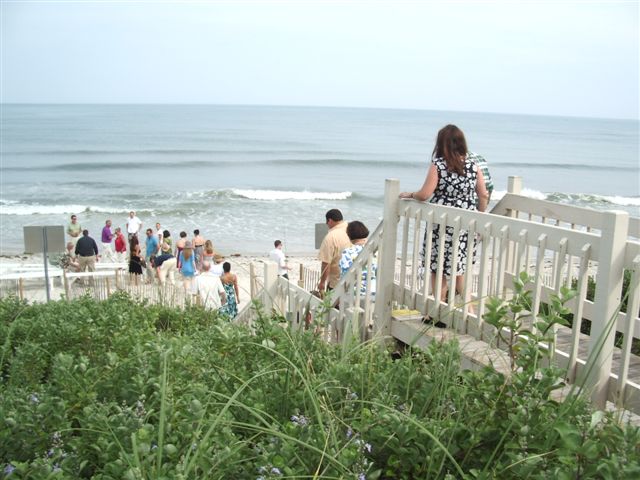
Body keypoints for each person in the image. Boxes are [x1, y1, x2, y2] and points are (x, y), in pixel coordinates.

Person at [399, 124, 489, 302]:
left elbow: (424, 194)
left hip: (442, 224)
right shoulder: (473, 165)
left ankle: (437, 309)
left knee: (438, 268)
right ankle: (469, 309)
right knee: (459, 269)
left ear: (441, 143)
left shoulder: (438, 165)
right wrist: (479, 214)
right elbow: (483, 194)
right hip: (466, 225)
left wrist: (410, 194)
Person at [317, 209, 351, 293]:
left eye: (327, 222)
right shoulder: (352, 229)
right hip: (352, 279)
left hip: (336, 282)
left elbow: (326, 263)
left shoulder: (330, 237)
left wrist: (322, 282)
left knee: (332, 301)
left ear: (330, 220)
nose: (326, 224)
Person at [339, 221, 376, 295]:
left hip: (354, 293)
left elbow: (345, 275)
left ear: (349, 235)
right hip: (374, 291)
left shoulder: (347, 252)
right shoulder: (374, 250)